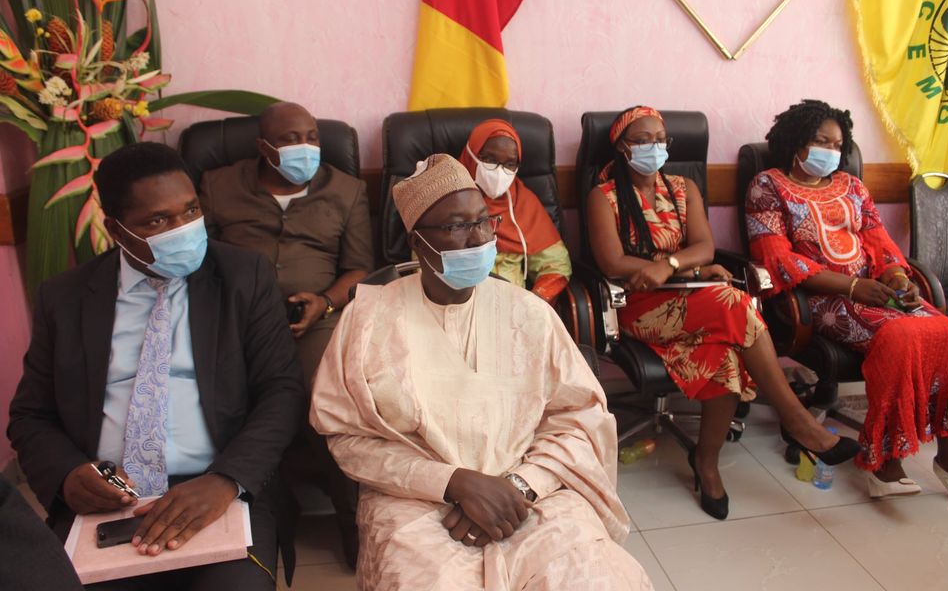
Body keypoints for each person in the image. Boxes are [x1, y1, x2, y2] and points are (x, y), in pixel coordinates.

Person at [311, 153, 653, 590]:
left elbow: (579, 420)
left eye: (483, 221)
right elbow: (346, 436)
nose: (477, 239)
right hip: (416, 500)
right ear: (418, 241)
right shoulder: (366, 320)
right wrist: (452, 482)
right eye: (456, 227)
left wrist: (519, 485)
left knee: (596, 578)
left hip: (532, 489)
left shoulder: (529, 313)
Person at [8, 142, 305, 590]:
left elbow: (282, 390)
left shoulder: (244, 276)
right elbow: (31, 415)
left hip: (220, 490)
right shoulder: (65, 298)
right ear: (115, 229)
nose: (183, 230)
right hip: (109, 501)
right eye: (158, 221)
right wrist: (69, 474)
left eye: (190, 211)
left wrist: (227, 479)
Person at [585, 105, 859, 520]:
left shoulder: (683, 188)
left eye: (660, 139)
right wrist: (674, 269)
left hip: (693, 296)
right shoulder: (603, 196)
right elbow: (612, 262)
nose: (654, 147)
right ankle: (798, 422)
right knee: (733, 302)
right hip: (638, 305)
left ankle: (706, 461)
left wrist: (672, 266)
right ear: (623, 147)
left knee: (725, 360)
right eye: (643, 140)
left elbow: (704, 247)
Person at [745, 99, 948, 500]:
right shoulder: (767, 186)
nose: (831, 151)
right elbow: (776, 259)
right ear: (796, 142)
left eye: (838, 144)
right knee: (900, 337)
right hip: (818, 299)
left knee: (946, 331)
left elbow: (880, 243)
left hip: (873, 290)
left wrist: (899, 279)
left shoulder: (853, 186)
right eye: (821, 141)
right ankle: (886, 463)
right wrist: (850, 287)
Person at [199, 101, 373, 565]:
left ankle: (353, 521)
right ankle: (256, 515)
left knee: (326, 397)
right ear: (264, 147)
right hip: (236, 319)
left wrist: (325, 301)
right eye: (291, 139)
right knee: (226, 395)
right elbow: (199, 261)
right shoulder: (218, 185)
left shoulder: (347, 189)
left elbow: (361, 267)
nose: (306, 147)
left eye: (312, 137)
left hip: (318, 316)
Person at [458, 119, 571, 303]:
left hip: (512, 306)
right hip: (456, 305)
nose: (499, 172)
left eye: (509, 164)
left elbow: (557, 266)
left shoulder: (523, 203)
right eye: (489, 160)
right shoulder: (446, 199)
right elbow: (426, 262)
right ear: (471, 154)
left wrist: (533, 303)